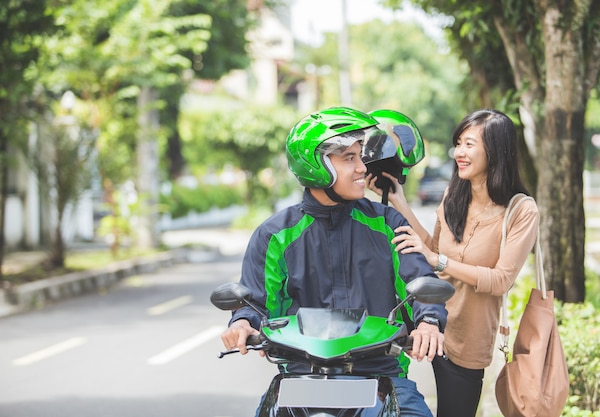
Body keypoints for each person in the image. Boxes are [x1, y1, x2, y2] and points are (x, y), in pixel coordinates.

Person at [220, 106, 449, 417]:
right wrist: (243, 323)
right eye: (349, 159)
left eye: (360, 156)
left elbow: (417, 281)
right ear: (317, 165)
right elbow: (254, 298)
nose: (361, 168)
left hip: (379, 372)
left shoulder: (387, 223)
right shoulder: (275, 235)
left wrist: (429, 322)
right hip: (301, 376)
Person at [366, 109, 539, 417]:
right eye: (458, 143)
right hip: (427, 322)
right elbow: (432, 249)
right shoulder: (454, 194)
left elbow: (501, 280)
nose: (459, 152)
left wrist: (438, 259)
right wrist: (398, 201)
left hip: (467, 339)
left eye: (469, 144)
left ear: (496, 150)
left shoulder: (521, 210)